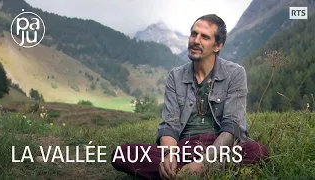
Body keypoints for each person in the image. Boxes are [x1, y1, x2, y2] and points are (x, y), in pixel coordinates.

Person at [111, 14, 269, 180]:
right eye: (194, 34)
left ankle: (183, 174)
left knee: (257, 151)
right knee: (122, 154)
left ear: (218, 45)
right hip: (183, 149)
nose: (196, 40)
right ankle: (189, 172)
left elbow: (232, 126)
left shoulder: (235, 73)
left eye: (204, 37)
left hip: (219, 148)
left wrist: (205, 163)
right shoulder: (175, 76)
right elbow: (170, 124)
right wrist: (168, 155)